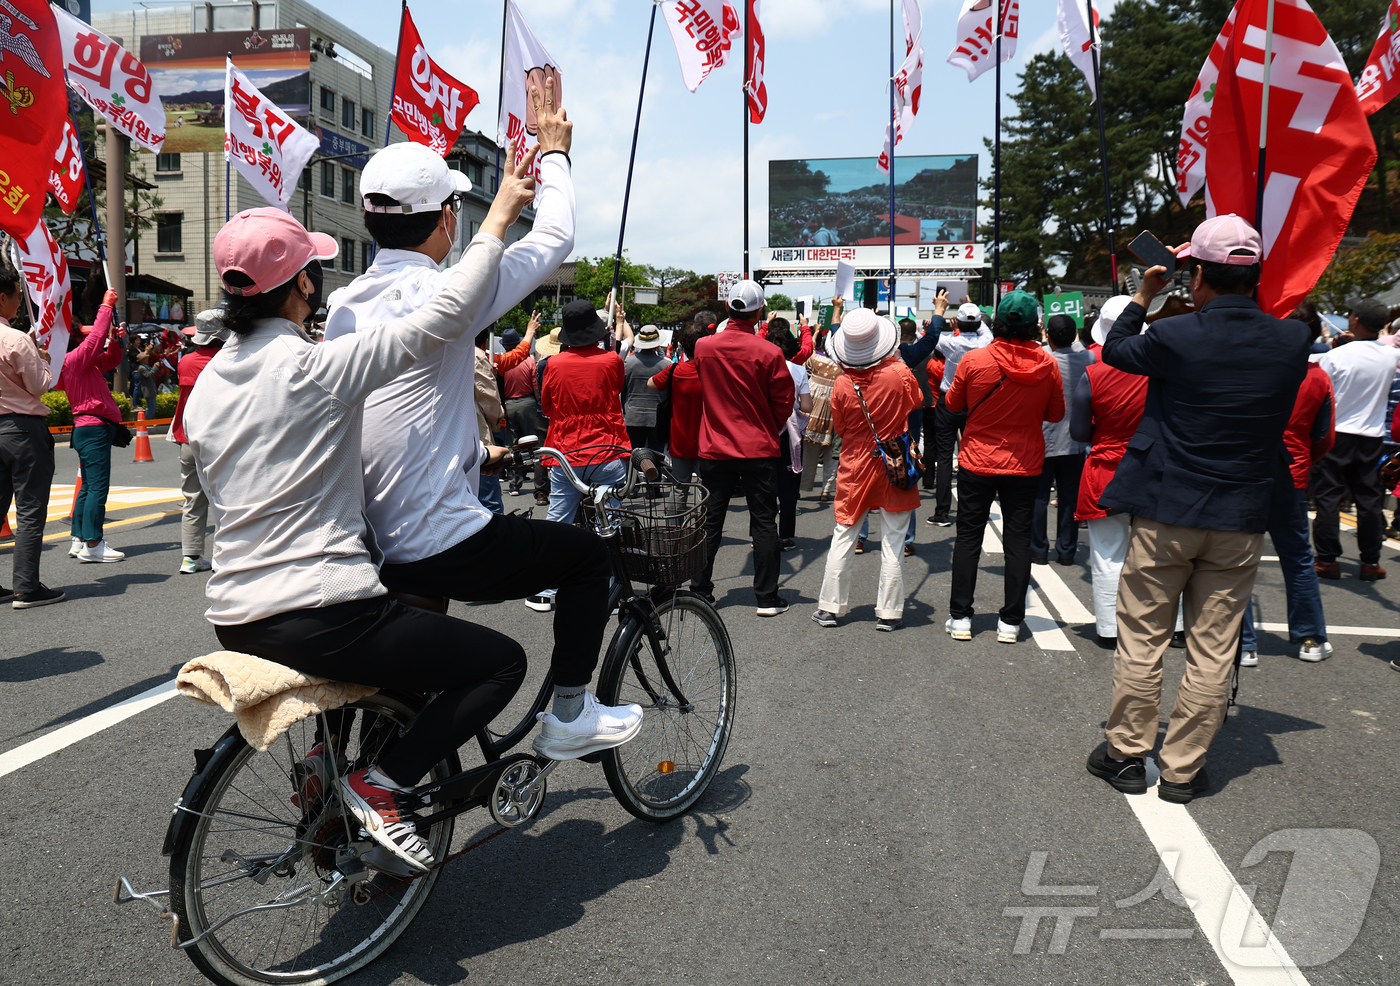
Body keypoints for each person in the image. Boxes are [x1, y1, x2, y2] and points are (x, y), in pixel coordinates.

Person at [187, 164, 607, 875]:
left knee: (401, 671)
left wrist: (476, 450)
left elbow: (363, 441)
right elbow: (439, 321)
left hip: (235, 611)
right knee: (499, 663)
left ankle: (330, 760)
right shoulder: (316, 367)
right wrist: (500, 215)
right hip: (322, 607)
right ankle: (378, 785)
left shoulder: (207, 390)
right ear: (301, 286)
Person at [1085, 214, 1310, 805]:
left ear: (1198, 276)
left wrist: (1145, 293)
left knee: (1143, 638)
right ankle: (1183, 768)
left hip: (1167, 508)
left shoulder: (1175, 335)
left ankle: (1127, 754)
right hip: (1241, 513)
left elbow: (1114, 349)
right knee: (1213, 648)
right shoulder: (1292, 341)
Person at [943, 291, 1065, 644]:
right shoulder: (1048, 365)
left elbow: (953, 404)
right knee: (1018, 541)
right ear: (1033, 326)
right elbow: (1055, 414)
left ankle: (961, 616)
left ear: (994, 322)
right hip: (1025, 463)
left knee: (968, 537)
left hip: (977, 459)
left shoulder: (974, 361)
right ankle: (1011, 622)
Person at [811, 310, 922, 631]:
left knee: (844, 534)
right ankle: (888, 612)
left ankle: (829, 607)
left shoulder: (842, 383)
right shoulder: (899, 373)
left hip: (855, 464)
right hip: (895, 461)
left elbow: (843, 429)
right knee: (894, 540)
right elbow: (915, 402)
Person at [690, 279, 795, 616]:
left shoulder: (704, 347)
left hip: (714, 445)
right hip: (758, 447)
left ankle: (700, 589)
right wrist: (767, 424)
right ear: (759, 312)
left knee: (709, 521)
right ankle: (766, 596)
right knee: (764, 522)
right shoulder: (770, 352)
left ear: (727, 308)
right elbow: (784, 401)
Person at [524, 298, 632, 614]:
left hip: (566, 451)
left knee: (560, 520)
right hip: (607, 447)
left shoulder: (551, 365)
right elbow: (616, 392)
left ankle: (546, 590)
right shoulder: (612, 360)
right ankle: (612, 590)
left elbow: (546, 407)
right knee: (610, 518)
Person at [1238, 329, 1335, 665]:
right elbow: (1323, 436)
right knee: (1297, 558)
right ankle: (1310, 638)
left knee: (1238, 560)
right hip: (1291, 474)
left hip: (1249, 472)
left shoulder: (1250, 367)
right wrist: (1304, 459)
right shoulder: (1317, 377)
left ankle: (1244, 643)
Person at [1312, 297, 1400, 582]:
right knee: (1370, 498)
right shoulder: (1391, 357)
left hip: (1338, 433)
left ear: (1355, 320)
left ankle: (1327, 560)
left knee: (1329, 496)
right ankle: (1370, 562)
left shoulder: (1334, 357)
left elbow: (1322, 395)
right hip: (1373, 435)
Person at [0, 268, 64, 607]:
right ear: (2, 298)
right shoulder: (15, 339)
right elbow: (40, 386)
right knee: (29, 508)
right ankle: (26, 585)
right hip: (22, 430)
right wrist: (44, 361)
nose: (17, 303)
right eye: (14, 296)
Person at [63, 292, 129, 565]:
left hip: (88, 428)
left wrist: (117, 340)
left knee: (89, 487)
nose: (86, 338)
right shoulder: (75, 359)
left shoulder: (80, 363)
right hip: (93, 428)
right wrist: (105, 306)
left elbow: (110, 359)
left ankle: (80, 539)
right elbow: (95, 340)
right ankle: (93, 543)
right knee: (97, 488)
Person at [1032, 314, 1095, 566]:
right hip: (1075, 440)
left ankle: (1038, 550)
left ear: (1048, 335)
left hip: (1044, 439)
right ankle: (1066, 550)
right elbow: (1079, 347)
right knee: (1069, 498)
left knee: (1039, 498)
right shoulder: (1089, 358)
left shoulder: (1043, 359)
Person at [171, 309, 227, 574]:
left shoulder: (185, 362)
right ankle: (224, 556)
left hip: (187, 438)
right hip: (219, 440)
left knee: (192, 499)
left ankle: (190, 558)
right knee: (224, 498)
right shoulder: (227, 361)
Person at [928, 302, 992, 527]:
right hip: (974, 403)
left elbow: (932, 334)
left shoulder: (951, 343)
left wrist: (939, 311)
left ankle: (941, 511)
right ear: (977, 322)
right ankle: (971, 509)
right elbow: (985, 329)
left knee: (944, 458)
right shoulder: (986, 342)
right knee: (973, 455)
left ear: (958, 323)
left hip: (948, 401)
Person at [647, 320, 714, 482]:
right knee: (704, 485)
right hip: (707, 440)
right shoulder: (712, 370)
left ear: (682, 345)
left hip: (679, 439)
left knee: (678, 485)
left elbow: (651, 383)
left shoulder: (674, 370)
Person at [768, 317, 812, 549]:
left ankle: (763, 533)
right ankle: (785, 536)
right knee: (788, 486)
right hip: (791, 432)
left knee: (763, 483)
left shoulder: (761, 366)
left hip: (763, 429)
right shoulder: (798, 370)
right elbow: (806, 407)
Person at [500, 313, 551, 504]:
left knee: (513, 444)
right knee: (533, 444)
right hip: (529, 404)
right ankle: (537, 477)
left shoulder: (502, 363)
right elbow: (535, 386)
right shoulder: (529, 361)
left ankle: (514, 483)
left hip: (509, 404)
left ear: (505, 345)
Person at [799, 300, 843, 498]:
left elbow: (807, 349)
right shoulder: (842, 365)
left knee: (808, 454)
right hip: (835, 412)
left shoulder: (814, 360)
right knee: (832, 456)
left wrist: (813, 331)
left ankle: (804, 486)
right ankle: (826, 489)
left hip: (813, 411)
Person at [622, 323, 671, 452]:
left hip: (632, 416)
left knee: (633, 457)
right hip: (656, 419)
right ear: (657, 343)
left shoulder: (627, 364)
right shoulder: (666, 365)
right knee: (656, 459)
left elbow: (623, 392)